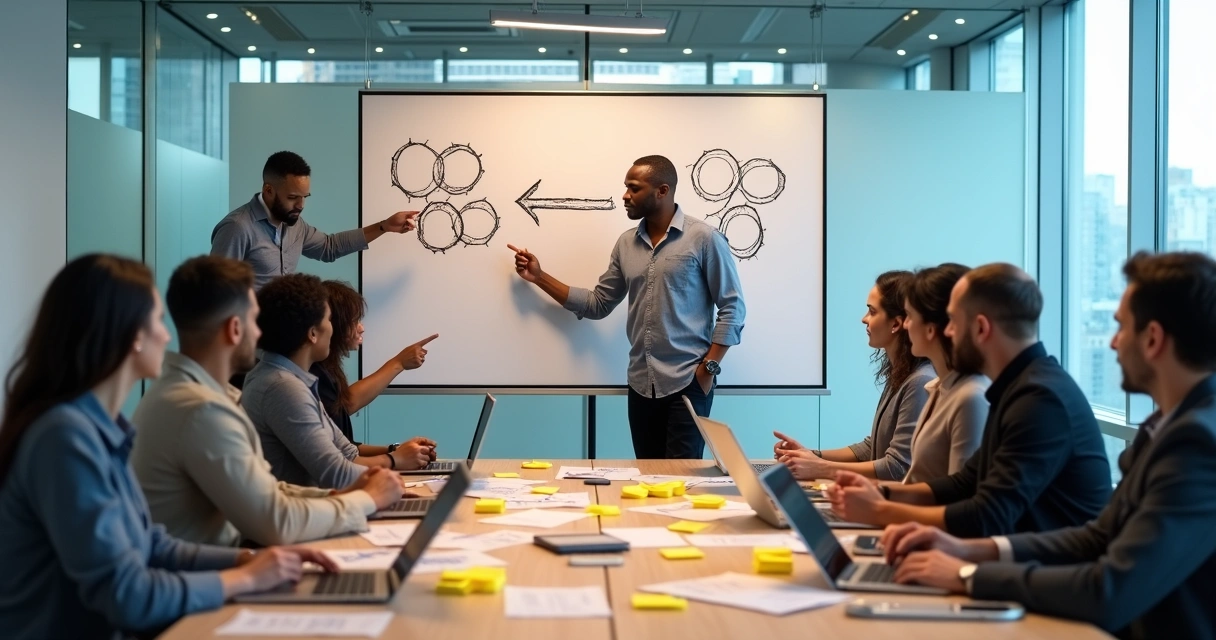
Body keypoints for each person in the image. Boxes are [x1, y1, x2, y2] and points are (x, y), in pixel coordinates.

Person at [882, 251, 1216, 640]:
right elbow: (1098, 536)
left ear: (1153, 339)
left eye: (1121, 327)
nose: (1112, 343)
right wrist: (971, 552)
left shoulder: (1197, 444)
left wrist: (968, 574)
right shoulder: (1165, 426)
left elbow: (1109, 590)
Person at [0, 254, 335, 640]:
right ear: (132, 334)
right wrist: (244, 578)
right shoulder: (64, 438)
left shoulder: (97, 428)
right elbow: (126, 595)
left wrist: (252, 559)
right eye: (158, 320)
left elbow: (151, 545)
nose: (165, 334)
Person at [130, 257, 405, 547]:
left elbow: (266, 490)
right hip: (219, 566)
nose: (261, 332)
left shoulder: (192, 394)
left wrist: (336, 496)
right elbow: (276, 522)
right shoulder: (203, 410)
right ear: (235, 329)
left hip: (229, 556)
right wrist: (368, 499)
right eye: (254, 320)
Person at [827, 263, 1111, 537]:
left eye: (952, 321)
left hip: (1044, 566)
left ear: (981, 329)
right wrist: (881, 493)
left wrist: (880, 510)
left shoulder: (1039, 398)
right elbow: (964, 483)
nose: (947, 331)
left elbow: (988, 514)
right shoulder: (1018, 386)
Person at [509, 155, 745, 460]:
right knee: (648, 476)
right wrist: (539, 277)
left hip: (688, 382)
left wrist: (708, 370)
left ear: (662, 191)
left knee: (683, 480)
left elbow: (733, 307)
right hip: (640, 385)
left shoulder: (704, 239)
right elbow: (598, 303)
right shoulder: (625, 244)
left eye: (633, 188)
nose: (625, 196)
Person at [242, 273, 436, 489]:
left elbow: (347, 452)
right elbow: (336, 473)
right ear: (313, 333)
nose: (332, 328)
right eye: (328, 320)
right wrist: (394, 461)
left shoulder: (295, 380)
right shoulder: (283, 387)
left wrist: (397, 454)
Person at [774, 271, 933, 481]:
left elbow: (897, 467)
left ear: (896, 324)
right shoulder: (901, 373)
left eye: (872, 312)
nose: (864, 319)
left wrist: (821, 468)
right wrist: (810, 456)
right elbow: (872, 447)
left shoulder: (920, 381)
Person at [211, 150, 421, 290]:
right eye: (293, 197)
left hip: (281, 337)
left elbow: (330, 247)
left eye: (305, 197)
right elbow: (216, 294)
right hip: (249, 341)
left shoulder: (295, 225)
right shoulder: (237, 227)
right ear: (268, 190)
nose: (301, 205)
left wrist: (384, 226)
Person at [315, 280, 438, 445]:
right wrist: (399, 362)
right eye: (354, 320)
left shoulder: (326, 368)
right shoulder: (314, 373)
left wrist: (395, 452)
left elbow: (341, 410)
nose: (361, 328)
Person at [898, 263, 989, 483]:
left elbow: (960, 493)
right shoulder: (939, 386)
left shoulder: (971, 396)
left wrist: (880, 496)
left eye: (909, 316)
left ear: (931, 328)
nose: (905, 325)